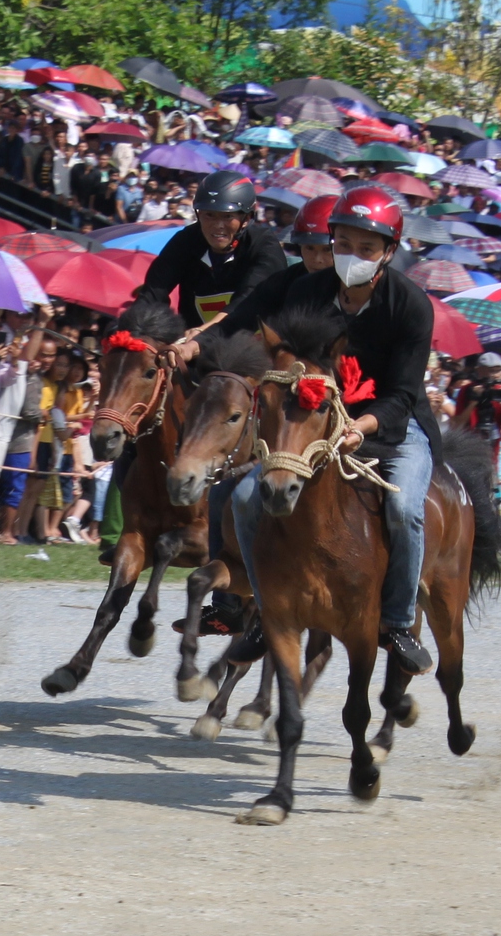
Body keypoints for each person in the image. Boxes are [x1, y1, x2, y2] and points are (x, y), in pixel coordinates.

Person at [221, 184, 438, 673]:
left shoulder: (412, 305)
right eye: (343, 244)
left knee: (405, 508)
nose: (351, 256)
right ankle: (262, 610)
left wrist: (360, 426)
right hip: (315, 423)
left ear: (388, 252)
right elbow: (287, 364)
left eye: (366, 247)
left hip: (390, 426)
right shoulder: (306, 291)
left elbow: (402, 395)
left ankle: (399, 623)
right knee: (241, 498)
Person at [143, 170, 286, 345]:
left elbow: (248, 301)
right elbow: (153, 292)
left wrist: (203, 333)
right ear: (198, 214)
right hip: (195, 352)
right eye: (209, 215)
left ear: (246, 218)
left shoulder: (264, 246)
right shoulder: (186, 240)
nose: (218, 226)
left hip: (256, 352)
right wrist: (135, 332)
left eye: (228, 217)